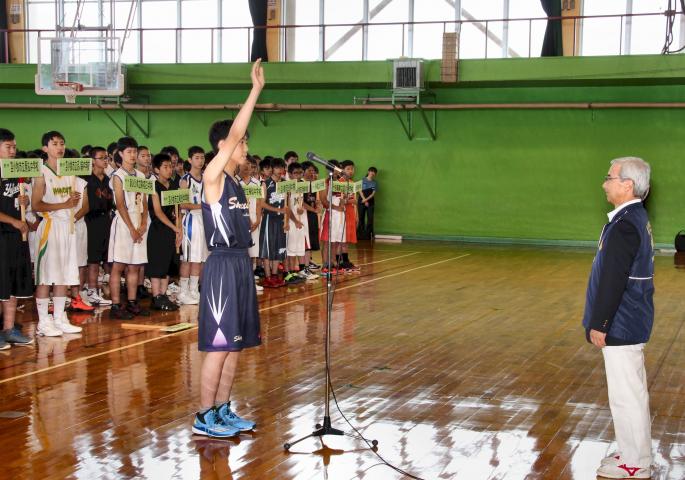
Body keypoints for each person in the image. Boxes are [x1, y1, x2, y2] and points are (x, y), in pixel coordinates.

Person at [192, 58, 264, 438]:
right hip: (220, 265)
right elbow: (237, 131)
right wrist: (255, 90)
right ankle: (203, 416)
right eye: (241, 142)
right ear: (224, 146)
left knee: (235, 346)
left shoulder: (237, 184)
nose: (245, 146)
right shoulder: (214, 177)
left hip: (241, 264)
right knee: (218, 346)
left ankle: (221, 410)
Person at [583, 157, 654, 480]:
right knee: (629, 393)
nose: (604, 183)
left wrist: (601, 323)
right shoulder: (631, 217)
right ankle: (632, 452)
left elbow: (613, 279)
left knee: (627, 397)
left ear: (627, 184)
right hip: (628, 319)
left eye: (609, 177)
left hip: (622, 321)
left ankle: (635, 463)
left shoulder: (626, 224)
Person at [31, 131, 83, 336]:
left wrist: (74, 200)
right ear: (45, 148)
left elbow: (73, 202)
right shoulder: (41, 172)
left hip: (68, 227)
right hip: (50, 227)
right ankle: (43, 322)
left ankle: (60, 318)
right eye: (54, 144)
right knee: (46, 277)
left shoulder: (70, 172)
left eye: (62, 143)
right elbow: (36, 205)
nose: (60, 147)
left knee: (64, 275)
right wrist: (65, 203)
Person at [108, 136, 149, 320]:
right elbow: (120, 204)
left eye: (135, 152)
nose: (133, 155)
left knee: (135, 266)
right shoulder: (118, 176)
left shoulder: (141, 176)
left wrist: (143, 224)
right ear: (121, 154)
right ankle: (115, 305)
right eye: (129, 152)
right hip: (124, 224)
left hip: (139, 222)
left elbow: (145, 202)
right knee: (118, 266)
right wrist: (132, 228)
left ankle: (132, 302)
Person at [0, 128, 34, 348]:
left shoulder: (16, 171)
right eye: (8, 147)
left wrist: (25, 202)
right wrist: (12, 221)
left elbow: (20, 202)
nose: (13, 151)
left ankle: (9, 328)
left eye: (14, 147)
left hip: (16, 235)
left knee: (12, 284)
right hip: (2, 233)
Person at [146, 153, 181, 311]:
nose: (169, 170)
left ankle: (164, 294)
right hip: (159, 230)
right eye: (165, 167)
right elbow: (158, 212)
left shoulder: (174, 186)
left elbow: (178, 208)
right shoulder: (153, 187)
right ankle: (156, 296)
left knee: (169, 264)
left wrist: (179, 230)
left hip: (173, 229)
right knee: (157, 264)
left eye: (170, 166)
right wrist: (174, 227)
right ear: (156, 169)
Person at [83, 147, 114, 306]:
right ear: (93, 160)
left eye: (106, 158)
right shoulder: (85, 179)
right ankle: (91, 291)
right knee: (92, 259)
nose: (105, 160)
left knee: (104, 258)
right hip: (90, 220)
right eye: (101, 158)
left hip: (105, 220)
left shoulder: (109, 180)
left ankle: (94, 291)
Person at [178, 146, 208, 305]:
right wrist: (204, 206)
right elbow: (183, 204)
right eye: (197, 157)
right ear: (189, 160)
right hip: (191, 220)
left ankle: (193, 289)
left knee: (199, 258)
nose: (200, 161)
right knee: (188, 258)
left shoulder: (207, 179)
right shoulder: (185, 180)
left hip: (204, 220)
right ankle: (183, 292)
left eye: (202, 157)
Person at [258, 158, 287, 287]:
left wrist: (286, 220)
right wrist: (277, 209)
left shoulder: (285, 184)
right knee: (267, 249)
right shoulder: (265, 183)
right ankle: (268, 276)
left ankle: (275, 275)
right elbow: (261, 203)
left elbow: (287, 203)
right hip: (269, 219)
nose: (280, 170)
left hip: (280, 220)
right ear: (272, 169)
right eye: (277, 168)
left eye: (282, 167)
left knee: (277, 248)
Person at [357, 166, 377, 240]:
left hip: (370, 202)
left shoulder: (374, 183)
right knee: (361, 218)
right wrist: (364, 199)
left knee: (370, 218)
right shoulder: (362, 180)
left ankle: (369, 235)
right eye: (371, 171)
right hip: (361, 201)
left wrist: (366, 200)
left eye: (374, 172)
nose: (372, 173)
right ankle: (360, 235)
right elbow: (359, 190)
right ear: (368, 172)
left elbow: (373, 194)